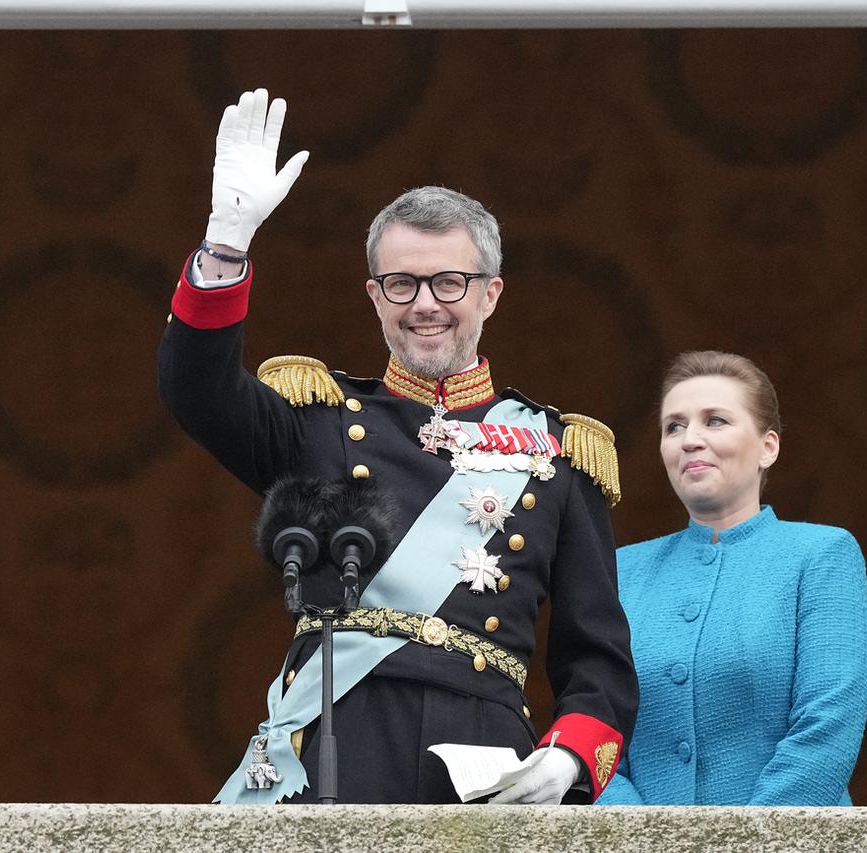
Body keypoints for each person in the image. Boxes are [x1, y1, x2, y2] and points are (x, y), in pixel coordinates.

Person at [157, 89, 637, 805]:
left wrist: (569, 756)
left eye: (449, 281)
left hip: (485, 757)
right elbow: (195, 390)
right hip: (338, 738)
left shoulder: (562, 454)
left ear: (491, 294)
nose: (425, 303)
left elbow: (598, 659)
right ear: (375, 296)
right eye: (402, 282)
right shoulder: (314, 418)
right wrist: (226, 244)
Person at [596, 350, 867, 806]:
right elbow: (599, 736)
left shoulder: (821, 555)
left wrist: (754, 841)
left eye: (716, 421)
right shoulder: (623, 571)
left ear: (769, 446)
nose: (690, 440)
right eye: (675, 426)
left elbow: (829, 724)